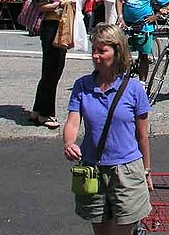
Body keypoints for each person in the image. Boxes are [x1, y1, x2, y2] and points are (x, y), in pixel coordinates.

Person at [63, 24, 153, 232]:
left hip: (126, 171)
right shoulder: (82, 85)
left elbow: (142, 137)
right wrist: (69, 142)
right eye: (94, 49)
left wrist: (147, 171)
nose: (95, 55)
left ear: (117, 52)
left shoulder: (134, 89)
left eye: (102, 51)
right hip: (92, 168)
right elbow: (73, 121)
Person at [30, 0, 79, 130]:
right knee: (52, 69)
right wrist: (61, 4)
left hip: (62, 25)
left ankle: (37, 109)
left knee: (54, 70)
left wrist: (70, 2)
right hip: (50, 25)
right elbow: (40, 6)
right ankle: (46, 113)